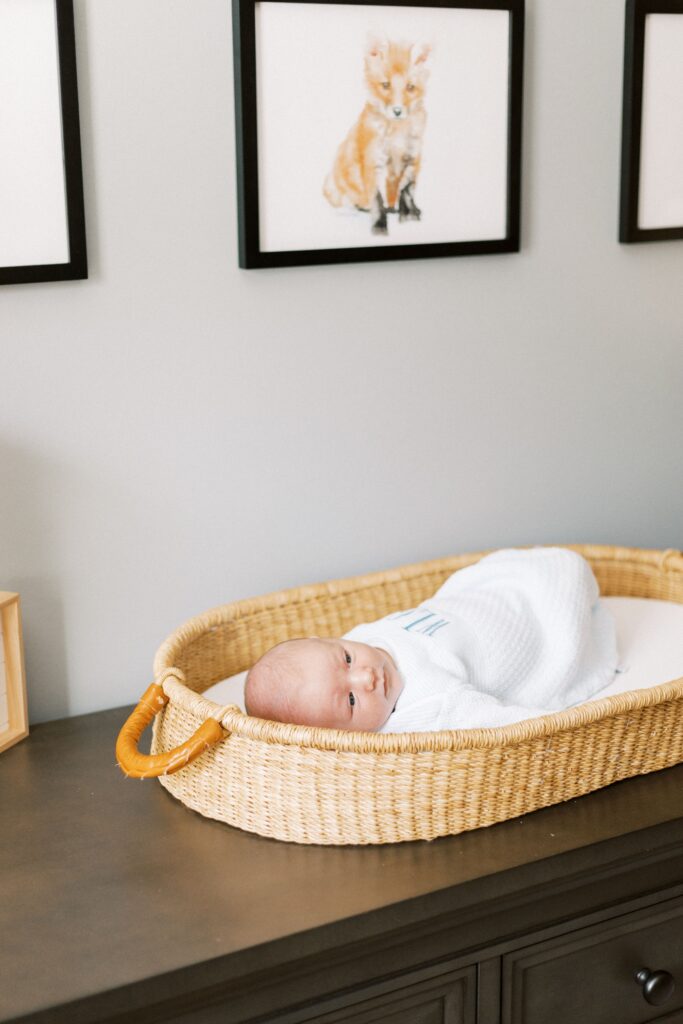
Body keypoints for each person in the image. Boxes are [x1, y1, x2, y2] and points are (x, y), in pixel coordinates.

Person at [244, 547, 619, 733]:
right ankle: (560, 614)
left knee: (539, 569)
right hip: (529, 633)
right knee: (563, 587)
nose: (366, 676)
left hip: (481, 601)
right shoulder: (426, 709)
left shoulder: (358, 639)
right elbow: (507, 728)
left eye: (345, 660)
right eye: (352, 701)